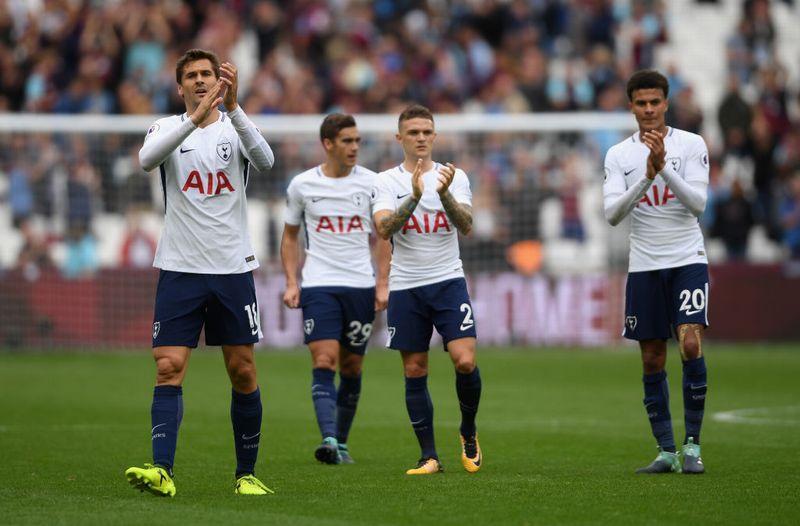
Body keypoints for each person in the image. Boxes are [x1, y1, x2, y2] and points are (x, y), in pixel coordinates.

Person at [124, 49, 275, 496]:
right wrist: (193, 120)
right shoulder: (166, 128)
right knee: (168, 366)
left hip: (231, 268)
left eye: (207, 73)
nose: (200, 80)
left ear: (220, 80)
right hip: (180, 268)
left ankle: (246, 474)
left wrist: (235, 107)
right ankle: (162, 470)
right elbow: (147, 160)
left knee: (242, 370)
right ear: (180, 87)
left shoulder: (236, 128)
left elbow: (265, 161)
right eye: (191, 75)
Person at [603, 70, 710, 474]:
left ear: (666, 103)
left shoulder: (691, 144)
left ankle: (692, 447)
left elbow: (698, 204)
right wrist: (647, 176)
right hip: (644, 264)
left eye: (654, 102)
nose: (648, 109)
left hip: (687, 259)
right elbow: (613, 214)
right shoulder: (618, 155)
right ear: (631, 106)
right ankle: (666, 452)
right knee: (651, 358)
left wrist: (664, 169)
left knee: (690, 345)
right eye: (641, 103)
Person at [371, 104, 482, 475]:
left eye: (426, 132)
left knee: (465, 361)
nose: (420, 138)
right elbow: (384, 229)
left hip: (448, 281)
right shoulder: (385, 181)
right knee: (415, 368)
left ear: (434, 136)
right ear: (399, 137)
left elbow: (466, 225)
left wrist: (443, 194)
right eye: (413, 132)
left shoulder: (454, 176)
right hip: (407, 287)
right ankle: (429, 456)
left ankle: (468, 430)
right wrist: (415, 196)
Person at [280, 113, 390, 465]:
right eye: (347, 141)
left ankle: (341, 442)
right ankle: (328, 438)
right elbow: (290, 236)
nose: (355, 147)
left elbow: (384, 236)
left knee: (352, 367)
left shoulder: (373, 183)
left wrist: (382, 283)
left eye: (357, 140)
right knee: (324, 359)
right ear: (328, 144)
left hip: (360, 286)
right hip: (319, 285)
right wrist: (292, 282)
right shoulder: (302, 185)